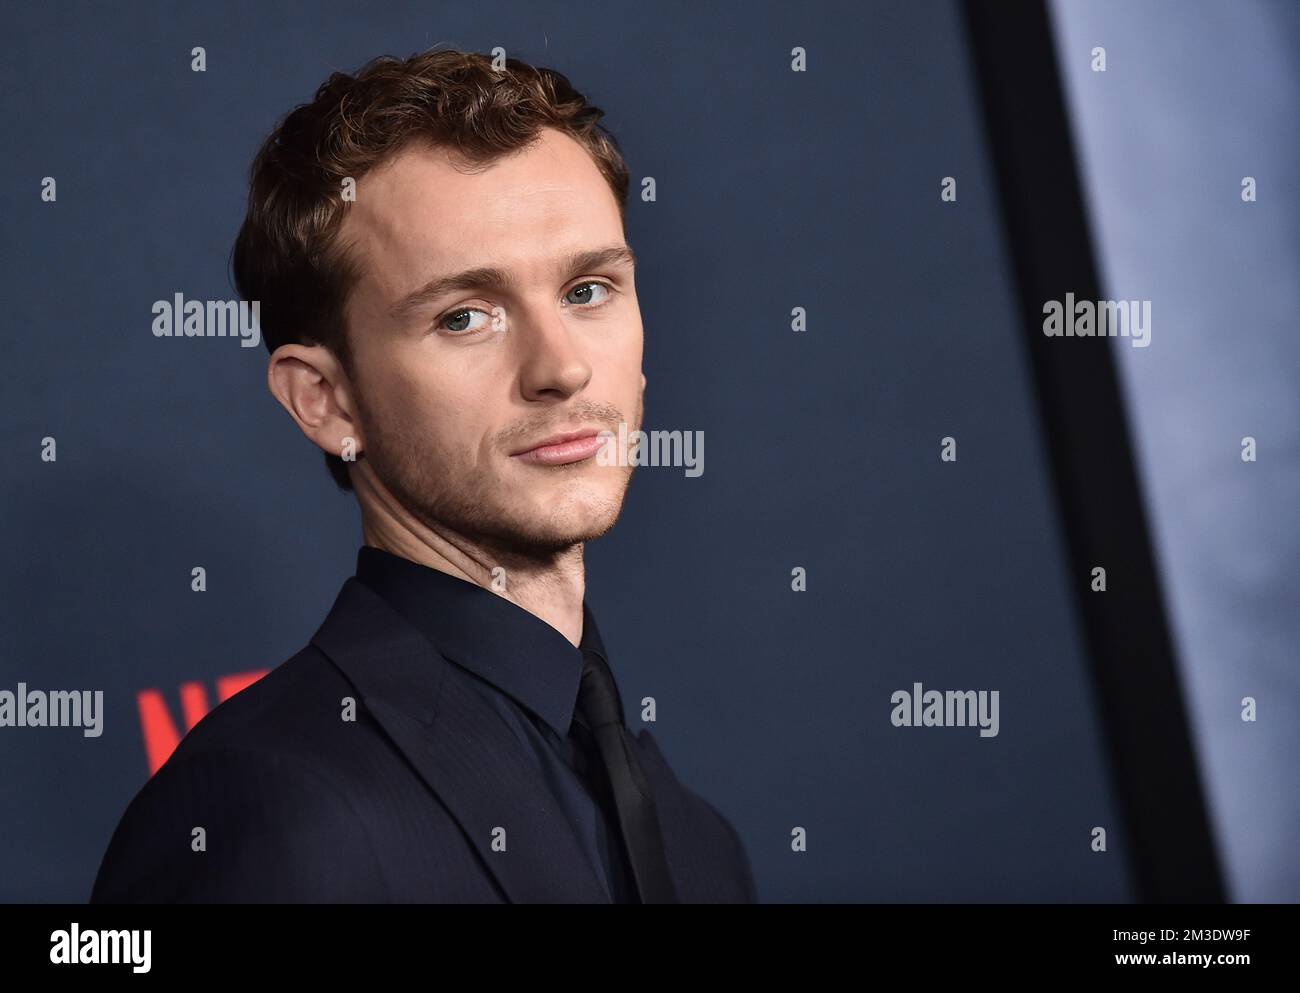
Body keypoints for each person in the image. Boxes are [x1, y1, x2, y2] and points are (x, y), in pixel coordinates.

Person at [89, 47, 755, 903]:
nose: (561, 369)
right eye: (465, 316)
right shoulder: (268, 815)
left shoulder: (699, 842)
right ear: (326, 401)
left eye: (588, 291)